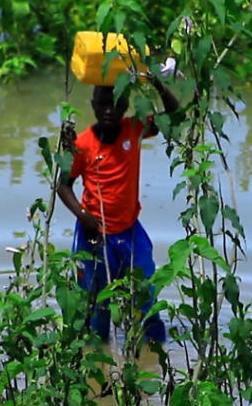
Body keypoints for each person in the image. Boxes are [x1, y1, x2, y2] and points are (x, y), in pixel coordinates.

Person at [56, 76, 180, 343]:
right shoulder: (83, 145)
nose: (109, 111)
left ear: (126, 105)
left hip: (130, 231)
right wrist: (83, 216)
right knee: (95, 302)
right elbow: (63, 186)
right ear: (93, 106)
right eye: (103, 105)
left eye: (116, 105)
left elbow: (174, 115)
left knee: (145, 293)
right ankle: (97, 361)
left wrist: (157, 84)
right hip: (94, 234)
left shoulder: (133, 128)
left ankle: (154, 354)